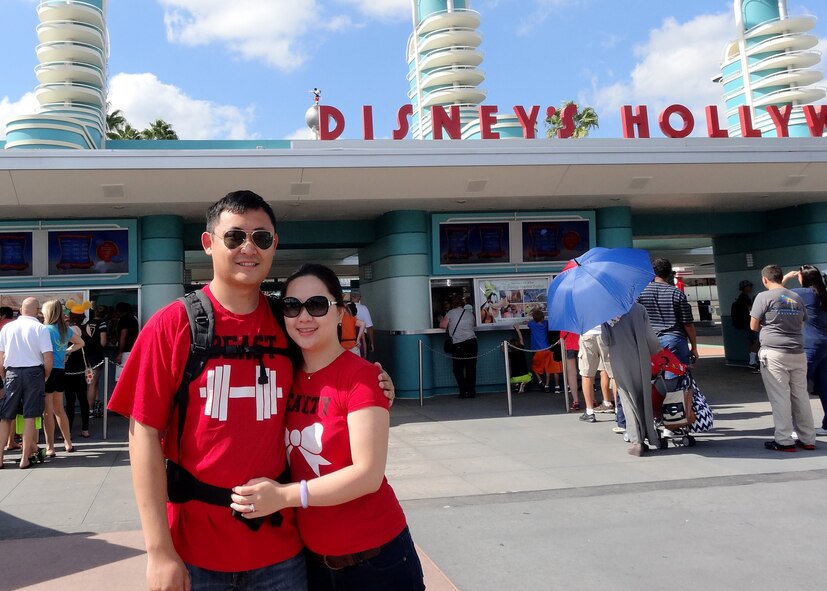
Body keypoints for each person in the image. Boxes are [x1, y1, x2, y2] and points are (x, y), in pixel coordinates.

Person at [108, 190, 393, 590]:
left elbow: (332, 370)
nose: (248, 248)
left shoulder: (289, 320)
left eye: (261, 238)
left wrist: (376, 381)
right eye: (234, 237)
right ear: (208, 244)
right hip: (196, 550)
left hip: (281, 551)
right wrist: (158, 551)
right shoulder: (172, 325)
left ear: (274, 245)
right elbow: (143, 436)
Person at [230, 264, 425, 590]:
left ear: (340, 313)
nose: (304, 317)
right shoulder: (282, 376)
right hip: (312, 563)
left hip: (375, 562)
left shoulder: (361, 377)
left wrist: (282, 496)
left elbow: (368, 475)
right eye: (292, 307)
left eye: (317, 305)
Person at [750, 264, 816, 452]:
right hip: (797, 352)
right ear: (780, 277)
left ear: (764, 279)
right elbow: (802, 321)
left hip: (774, 352)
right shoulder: (795, 297)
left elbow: (753, 325)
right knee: (801, 396)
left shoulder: (763, 297)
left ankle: (784, 440)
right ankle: (808, 438)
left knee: (780, 397)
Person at [602, 303, 663, 456]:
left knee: (628, 398)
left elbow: (605, 340)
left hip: (620, 358)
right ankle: (651, 436)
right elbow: (650, 337)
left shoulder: (607, 311)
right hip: (641, 356)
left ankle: (637, 441)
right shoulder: (639, 308)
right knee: (644, 397)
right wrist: (658, 350)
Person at [0, 297, 53, 469]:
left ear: (21, 310)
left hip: (12, 372)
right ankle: (24, 459)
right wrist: (44, 376)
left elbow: (1, 357)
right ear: (37, 311)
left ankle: (0, 458)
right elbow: (48, 358)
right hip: (34, 372)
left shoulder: (7, 328)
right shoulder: (40, 328)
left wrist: (3, 376)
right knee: (30, 415)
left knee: (6, 417)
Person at [782, 264, 827, 437]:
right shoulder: (823, 293)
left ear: (804, 278)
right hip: (824, 344)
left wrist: (785, 278)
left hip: (809, 345)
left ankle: (798, 428)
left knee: (798, 387)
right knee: (824, 385)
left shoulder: (802, 294)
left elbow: (780, 294)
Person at [638, 258, 699, 386]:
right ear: (669, 273)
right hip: (674, 340)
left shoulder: (641, 293)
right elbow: (687, 323)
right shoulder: (677, 293)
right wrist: (694, 347)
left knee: (651, 377)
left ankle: (658, 404)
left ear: (652, 273)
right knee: (678, 378)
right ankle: (676, 403)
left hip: (649, 341)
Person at [41, 299, 84, 458]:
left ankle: (50, 446)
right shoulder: (65, 330)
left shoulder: (44, 329)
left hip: (47, 370)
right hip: (60, 371)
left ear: (48, 312)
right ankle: (68, 443)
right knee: (60, 409)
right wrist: (66, 351)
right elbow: (81, 343)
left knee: (48, 412)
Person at [64, 301, 94, 437]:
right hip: (81, 368)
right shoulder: (88, 328)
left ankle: (68, 430)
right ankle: (85, 429)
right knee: (82, 399)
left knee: (70, 401)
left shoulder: (67, 330)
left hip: (69, 368)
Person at [515, 309, 562, 393]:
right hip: (547, 349)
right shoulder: (545, 324)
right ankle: (547, 385)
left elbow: (527, 323)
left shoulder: (532, 324)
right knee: (548, 368)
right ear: (543, 317)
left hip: (537, 350)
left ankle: (541, 382)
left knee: (534, 367)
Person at [440, 294, 477, 399]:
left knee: (458, 369)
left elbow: (442, 325)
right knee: (471, 368)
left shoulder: (450, 313)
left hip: (459, 344)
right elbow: (473, 324)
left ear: (453, 304)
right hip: (472, 343)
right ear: (463, 303)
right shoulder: (469, 313)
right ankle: (471, 392)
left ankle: (463, 391)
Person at [577, 324, 615, 423]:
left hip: (587, 333)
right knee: (614, 374)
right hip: (606, 332)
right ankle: (620, 411)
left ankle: (589, 412)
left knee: (587, 374)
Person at [731, 279, 759, 370]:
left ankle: (752, 361)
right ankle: (752, 361)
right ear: (745, 288)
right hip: (747, 323)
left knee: (751, 342)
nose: (751, 288)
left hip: (743, 323)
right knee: (756, 341)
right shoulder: (745, 298)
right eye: (749, 286)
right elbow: (750, 309)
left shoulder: (740, 298)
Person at [113, 301, 138, 381]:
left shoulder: (124, 320)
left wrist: (120, 353)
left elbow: (123, 335)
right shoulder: (134, 318)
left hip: (125, 352)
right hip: (133, 350)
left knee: (121, 378)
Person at [559, 330, 580, 410]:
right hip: (583, 341)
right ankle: (592, 399)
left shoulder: (565, 317)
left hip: (568, 342)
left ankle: (576, 401)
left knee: (571, 374)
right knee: (587, 373)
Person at [350, 291, 374, 359]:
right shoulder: (364, 308)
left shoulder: (346, 307)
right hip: (361, 339)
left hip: (347, 338)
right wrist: (372, 343)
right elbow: (369, 327)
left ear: (351, 297)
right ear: (360, 298)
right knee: (363, 360)